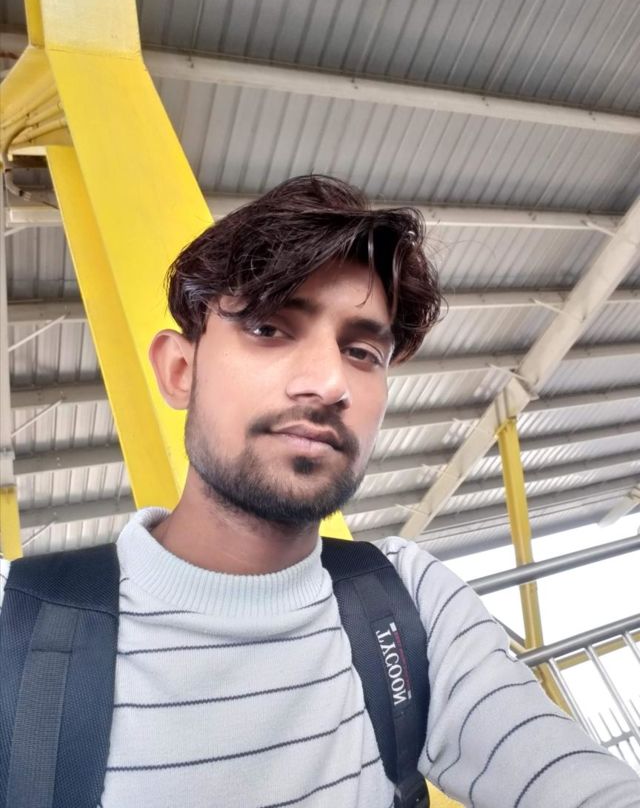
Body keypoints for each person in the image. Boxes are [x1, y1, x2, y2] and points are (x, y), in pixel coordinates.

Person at [1, 176, 639, 808]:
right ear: (180, 370)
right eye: (269, 329)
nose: (329, 383)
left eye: (362, 352)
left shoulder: (407, 604)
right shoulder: (18, 621)